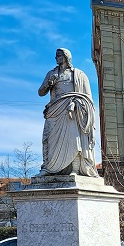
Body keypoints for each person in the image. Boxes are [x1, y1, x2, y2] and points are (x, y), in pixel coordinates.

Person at [36, 48, 99, 177]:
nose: (56, 58)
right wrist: (49, 84)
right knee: (48, 138)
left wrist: (76, 103)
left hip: (73, 110)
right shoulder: (51, 74)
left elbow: (87, 97)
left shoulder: (79, 75)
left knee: (74, 139)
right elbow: (41, 92)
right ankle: (49, 167)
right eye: (56, 56)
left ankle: (75, 169)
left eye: (58, 55)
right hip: (54, 110)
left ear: (66, 57)